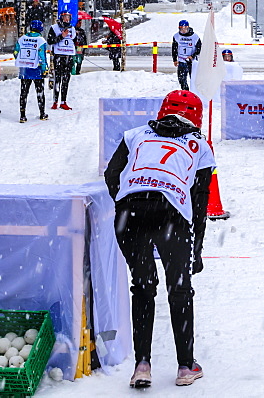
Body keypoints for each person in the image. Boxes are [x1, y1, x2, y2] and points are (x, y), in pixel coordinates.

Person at [104, 91, 215, 388]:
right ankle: (186, 366)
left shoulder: (135, 134)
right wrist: (197, 251)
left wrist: (125, 203)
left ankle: (142, 365)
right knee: (179, 290)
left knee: (142, 288)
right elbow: (200, 204)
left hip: (130, 214)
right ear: (197, 118)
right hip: (170, 214)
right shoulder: (200, 145)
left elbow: (111, 173)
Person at [15, 19, 49, 122]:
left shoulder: (22, 39)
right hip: (36, 69)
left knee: (24, 92)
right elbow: (42, 57)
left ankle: (22, 115)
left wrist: (23, 61)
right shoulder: (41, 41)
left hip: (24, 70)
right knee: (40, 92)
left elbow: (16, 53)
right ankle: (42, 113)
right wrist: (45, 69)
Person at [47, 11, 76, 110]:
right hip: (59, 55)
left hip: (69, 55)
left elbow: (75, 41)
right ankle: (55, 101)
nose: (67, 19)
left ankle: (63, 101)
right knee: (57, 79)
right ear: (61, 17)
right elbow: (50, 41)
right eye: (65, 17)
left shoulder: (72, 28)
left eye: (68, 17)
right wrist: (61, 37)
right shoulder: (54, 28)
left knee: (66, 79)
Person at [172, 19, 201, 91]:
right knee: (181, 79)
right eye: (181, 29)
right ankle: (186, 92)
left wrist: (193, 56)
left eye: (185, 29)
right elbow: (174, 48)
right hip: (181, 61)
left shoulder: (195, 37)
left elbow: (199, 48)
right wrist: (175, 59)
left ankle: (195, 92)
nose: (183, 30)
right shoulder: (176, 36)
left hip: (192, 62)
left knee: (193, 79)